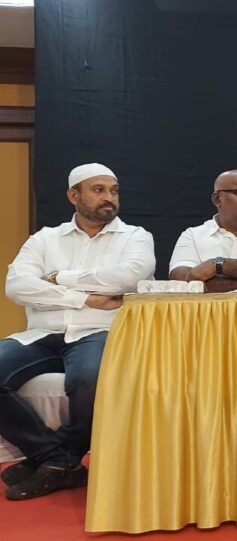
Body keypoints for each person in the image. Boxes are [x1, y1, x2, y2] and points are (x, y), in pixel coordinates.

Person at [0, 163, 155, 500]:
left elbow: (128, 277)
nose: (109, 198)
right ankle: (55, 458)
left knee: (87, 381)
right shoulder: (45, 239)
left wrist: (58, 278)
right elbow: (17, 286)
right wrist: (83, 298)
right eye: (98, 190)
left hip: (99, 330)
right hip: (42, 333)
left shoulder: (136, 237)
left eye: (114, 191)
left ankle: (58, 461)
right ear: (74, 195)